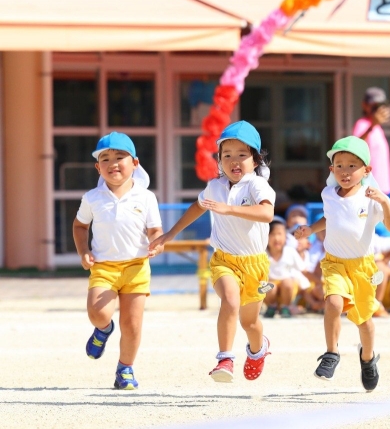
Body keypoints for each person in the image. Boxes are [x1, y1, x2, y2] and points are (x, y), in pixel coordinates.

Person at [149, 121, 275, 382]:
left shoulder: (257, 185)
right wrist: (169, 235)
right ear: (219, 160)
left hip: (255, 265)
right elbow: (198, 207)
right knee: (230, 300)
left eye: (242, 154)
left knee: (250, 323)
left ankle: (258, 349)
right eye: (226, 155)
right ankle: (225, 359)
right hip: (224, 261)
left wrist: (229, 209)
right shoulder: (215, 187)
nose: (234, 160)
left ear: (255, 159)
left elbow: (267, 213)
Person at [294, 136, 390, 391]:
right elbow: (329, 218)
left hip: (362, 267)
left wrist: (385, 201)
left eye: (352, 166)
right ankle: (331, 353)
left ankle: (368, 358)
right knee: (333, 302)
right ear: (331, 169)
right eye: (339, 165)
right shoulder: (328, 194)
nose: (345, 171)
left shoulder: (371, 197)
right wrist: (310, 229)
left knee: (364, 321)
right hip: (334, 262)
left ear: (367, 170)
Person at [73, 132, 164, 390]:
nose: (112, 163)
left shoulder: (146, 197)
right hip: (104, 266)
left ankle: (125, 368)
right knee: (97, 313)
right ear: (97, 167)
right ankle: (103, 329)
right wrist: (83, 251)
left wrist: (157, 242)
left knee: (132, 324)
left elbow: (155, 230)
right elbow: (80, 226)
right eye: (105, 159)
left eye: (119, 157)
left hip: (136, 266)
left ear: (134, 163)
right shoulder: (92, 197)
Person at [265, 219, 309, 318]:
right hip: (268, 292)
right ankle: (271, 306)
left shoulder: (290, 251)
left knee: (287, 281)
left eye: (280, 234)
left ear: (286, 237)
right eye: (272, 234)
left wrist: (317, 281)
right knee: (269, 286)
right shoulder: (263, 253)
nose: (276, 238)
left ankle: (286, 306)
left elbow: (304, 270)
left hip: (288, 291)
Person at [353, 87, 390, 194]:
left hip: (381, 188)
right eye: (374, 106)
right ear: (364, 105)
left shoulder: (378, 127)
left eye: (381, 105)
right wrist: (372, 126)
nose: (378, 109)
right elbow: (355, 147)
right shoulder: (362, 124)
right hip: (368, 187)